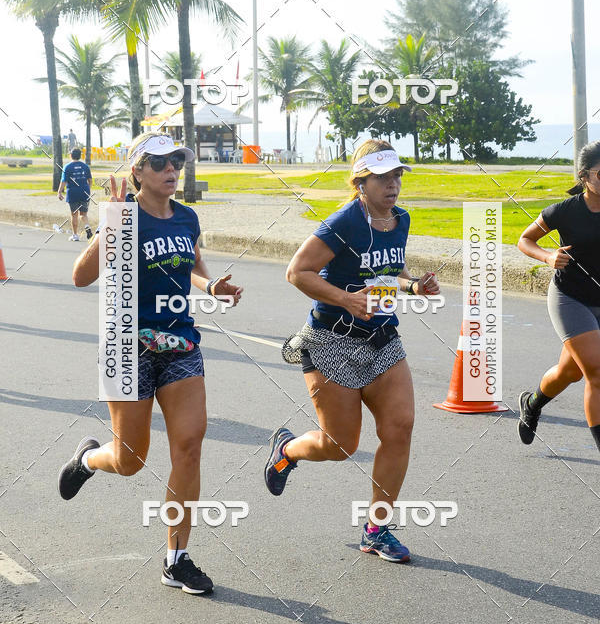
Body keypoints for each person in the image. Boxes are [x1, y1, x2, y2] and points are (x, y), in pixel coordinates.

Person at [57, 132, 243, 594]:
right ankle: (88, 458)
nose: (170, 169)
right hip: (126, 347)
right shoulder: (122, 216)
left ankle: (176, 559)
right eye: (159, 163)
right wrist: (113, 224)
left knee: (189, 446)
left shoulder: (186, 217)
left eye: (176, 162)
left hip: (180, 344)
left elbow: (194, 268)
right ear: (137, 171)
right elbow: (80, 277)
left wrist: (210, 287)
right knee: (130, 459)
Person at [265, 139, 440, 562]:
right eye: (382, 176)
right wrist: (346, 298)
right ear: (360, 183)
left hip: (383, 340)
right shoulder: (344, 221)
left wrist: (413, 283)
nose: (392, 184)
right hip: (331, 341)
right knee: (340, 445)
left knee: (400, 427)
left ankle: (377, 530)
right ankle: (287, 450)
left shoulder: (400, 219)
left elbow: (387, 266)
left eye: (397, 175)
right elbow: (297, 272)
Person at [517, 140, 600, 455]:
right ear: (584, 176)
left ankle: (533, 402)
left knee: (572, 371)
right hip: (571, 298)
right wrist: (548, 256)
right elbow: (525, 240)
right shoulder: (564, 211)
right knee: (597, 371)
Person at [57, 148, 93, 241]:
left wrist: (59, 192)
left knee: (74, 214)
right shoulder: (85, 166)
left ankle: (75, 235)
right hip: (84, 192)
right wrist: (88, 190)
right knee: (83, 214)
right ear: (80, 156)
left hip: (73, 193)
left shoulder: (67, 167)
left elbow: (64, 181)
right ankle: (87, 226)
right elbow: (90, 180)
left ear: (71, 155)